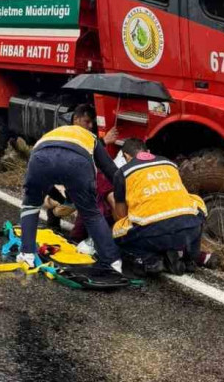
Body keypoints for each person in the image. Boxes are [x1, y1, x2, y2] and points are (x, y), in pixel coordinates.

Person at [18, 104, 122, 273]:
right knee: (91, 213)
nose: (90, 125)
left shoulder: (51, 134)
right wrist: (124, 191)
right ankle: (112, 263)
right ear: (76, 121)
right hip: (77, 163)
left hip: (40, 157)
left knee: (30, 206)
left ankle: (27, 255)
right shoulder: (90, 137)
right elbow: (111, 171)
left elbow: (42, 179)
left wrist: (56, 197)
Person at [112, 139, 210, 276]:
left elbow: (121, 215)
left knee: (118, 231)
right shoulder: (170, 164)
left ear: (126, 156)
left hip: (154, 235)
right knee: (194, 203)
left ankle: (150, 260)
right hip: (190, 229)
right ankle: (190, 257)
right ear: (148, 152)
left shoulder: (123, 173)